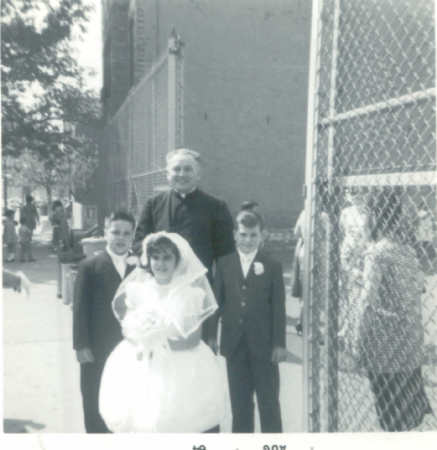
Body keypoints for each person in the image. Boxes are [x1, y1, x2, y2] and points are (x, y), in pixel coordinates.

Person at [98, 232, 225, 432]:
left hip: (180, 365)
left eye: (167, 258)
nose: (161, 263)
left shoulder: (189, 294)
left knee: (177, 422)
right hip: (142, 363)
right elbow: (128, 330)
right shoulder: (138, 289)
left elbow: (192, 339)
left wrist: (158, 340)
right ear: (148, 260)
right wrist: (141, 334)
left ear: (177, 261)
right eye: (156, 257)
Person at [339, 189, 432, 431]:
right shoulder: (408, 252)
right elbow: (417, 287)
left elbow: (367, 303)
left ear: (375, 216)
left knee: (389, 415)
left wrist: (357, 341)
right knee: (406, 417)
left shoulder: (377, 252)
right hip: (409, 345)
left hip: (385, 349)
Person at [211, 205, 287, 433]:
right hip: (235, 345)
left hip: (264, 346)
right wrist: (212, 336)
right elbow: (217, 303)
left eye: (253, 235)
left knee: (269, 404)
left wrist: (279, 344)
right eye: (243, 234)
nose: (247, 240)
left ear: (262, 236)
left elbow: (278, 308)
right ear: (235, 234)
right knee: (240, 405)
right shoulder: (224, 264)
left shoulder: (272, 265)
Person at [133, 147, 235, 291]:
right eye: (176, 169)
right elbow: (138, 243)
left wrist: (218, 291)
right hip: (161, 287)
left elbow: (226, 254)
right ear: (167, 175)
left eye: (188, 169)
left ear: (198, 174)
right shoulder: (153, 204)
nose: (182, 174)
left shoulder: (216, 207)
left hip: (198, 288)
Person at [73, 210, 137, 433]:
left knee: (126, 402)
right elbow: (80, 309)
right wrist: (81, 345)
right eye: (116, 232)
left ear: (133, 236)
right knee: (95, 400)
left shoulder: (140, 267)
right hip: (97, 347)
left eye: (126, 233)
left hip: (130, 348)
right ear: (106, 233)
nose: (121, 238)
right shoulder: (90, 266)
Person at [19, 195, 39, 261]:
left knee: (25, 238)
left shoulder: (24, 207)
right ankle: (29, 256)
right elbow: (36, 214)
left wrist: (21, 222)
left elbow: (21, 215)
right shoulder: (33, 206)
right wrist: (38, 220)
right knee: (29, 238)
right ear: (31, 200)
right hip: (31, 222)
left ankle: (23, 256)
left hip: (25, 223)